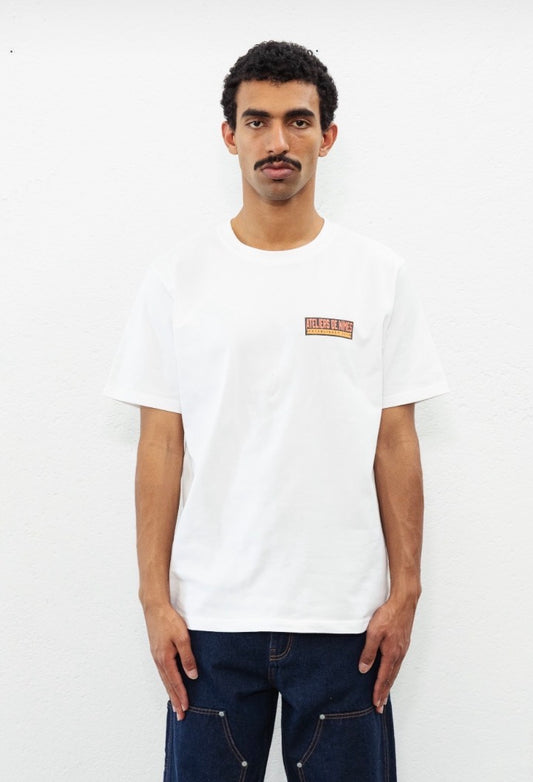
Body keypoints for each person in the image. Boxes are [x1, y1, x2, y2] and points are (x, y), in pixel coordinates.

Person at [105, 40, 448, 782]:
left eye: (298, 120)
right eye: (256, 121)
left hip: (345, 621)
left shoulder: (377, 276)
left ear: (327, 135)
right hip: (210, 623)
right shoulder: (177, 278)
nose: (277, 142)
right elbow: (160, 445)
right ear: (229, 136)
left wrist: (406, 590)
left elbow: (395, 442)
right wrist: (154, 599)